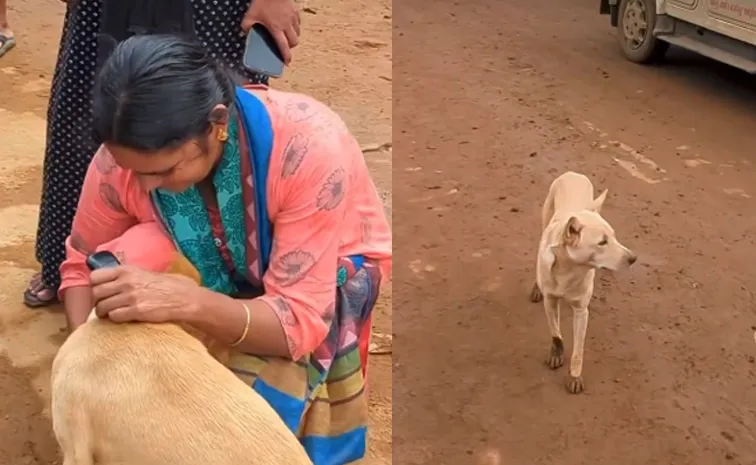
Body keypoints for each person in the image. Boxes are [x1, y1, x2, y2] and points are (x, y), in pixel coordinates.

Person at [58, 34, 392, 465]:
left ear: (218, 123)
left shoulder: (307, 146)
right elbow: (81, 267)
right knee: (132, 260)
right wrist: (85, 362)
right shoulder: (119, 163)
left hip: (320, 280)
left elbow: (298, 323)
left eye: (163, 170)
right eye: (130, 169)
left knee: (232, 427)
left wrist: (191, 304)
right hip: (216, 266)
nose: (141, 186)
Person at [25, 0, 301, 307]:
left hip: (213, 9)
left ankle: (248, 286)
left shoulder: (301, 149)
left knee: (199, 116)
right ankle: (67, 269)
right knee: (117, 118)